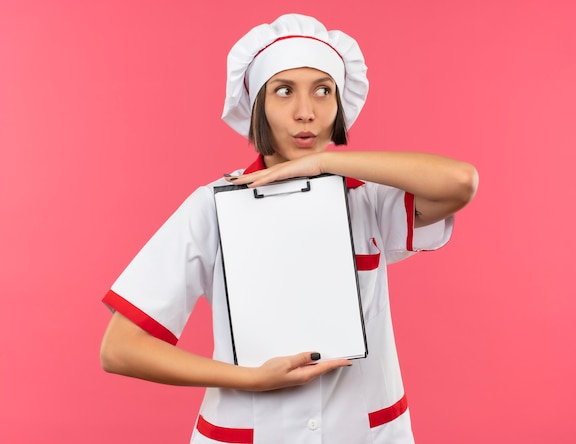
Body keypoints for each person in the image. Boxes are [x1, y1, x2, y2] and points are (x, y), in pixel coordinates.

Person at [100, 13, 478, 444]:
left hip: (365, 433)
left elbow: (460, 182)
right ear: (259, 104)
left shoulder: (369, 198)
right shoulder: (212, 206)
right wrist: (250, 379)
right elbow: (120, 349)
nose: (306, 113)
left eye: (323, 91)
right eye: (284, 92)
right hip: (251, 430)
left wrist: (324, 161)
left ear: (339, 104)